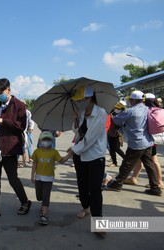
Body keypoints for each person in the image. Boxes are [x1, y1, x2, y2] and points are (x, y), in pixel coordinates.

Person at [0, 78, 31, 220]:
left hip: (10, 149)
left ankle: (25, 202)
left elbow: (21, 126)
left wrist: (3, 121)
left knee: (12, 178)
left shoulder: (19, 105)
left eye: (1, 92)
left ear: (9, 89)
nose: (0, 96)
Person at [107, 90, 162, 196]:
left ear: (132, 100)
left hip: (136, 142)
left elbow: (116, 121)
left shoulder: (130, 111)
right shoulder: (148, 109)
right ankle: (155, 187)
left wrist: (112, 114)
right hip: (148, 141)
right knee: (149, 165)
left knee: (126, 164)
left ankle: (117, 183)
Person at [66, 85, 107, 224]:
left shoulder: (101, 113)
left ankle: (98, 221)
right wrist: (76, 120)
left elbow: (90, 137)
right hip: (81, 156)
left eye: (80, 99)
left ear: (88, 98)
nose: (78, 102)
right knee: (82, 186)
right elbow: (78, 133)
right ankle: (86, 207)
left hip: (95, 156)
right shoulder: (82, 113)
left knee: (95, 189)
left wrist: (73, 150)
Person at [123, 93, 164, 189]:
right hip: (149, 139)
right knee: (140, 160)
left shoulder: (147, 110)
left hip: (148, 140)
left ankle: (159, 182)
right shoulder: (154, 110)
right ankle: (134, 178)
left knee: (153, 161)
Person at [30, 131, 70, 225]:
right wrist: (32, 175)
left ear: (52, 141)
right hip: (38, 178)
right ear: (40, 141)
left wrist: (70, 154)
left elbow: (62, 160)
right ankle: (43, 206)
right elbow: (34, 163)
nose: (46, 141)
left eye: (49, 140)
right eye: (44, 139)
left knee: (46, 196)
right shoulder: (37, 151)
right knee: (39, 195)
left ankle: (44, 213)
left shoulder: (54, 152)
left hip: (48, 179)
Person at [107, 101, 126, 167]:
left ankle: (126, 159)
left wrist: (114, 119)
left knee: (116, 148)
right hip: (110, 132)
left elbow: (121, 124)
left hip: (117, 134)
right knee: (111, 149)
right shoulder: (112, 112)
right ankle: (114, 162)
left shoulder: (123, 114)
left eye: (118, 108)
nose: (116, 109)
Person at [20, 100, 34, 167]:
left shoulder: (28, 112)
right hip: (20, 131)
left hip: (27, 131)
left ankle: (31, 158)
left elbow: (31, 121)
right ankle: (21, 161)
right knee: (21, 147)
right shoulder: (17, 112)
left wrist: (31, 128)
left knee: (29, 144)